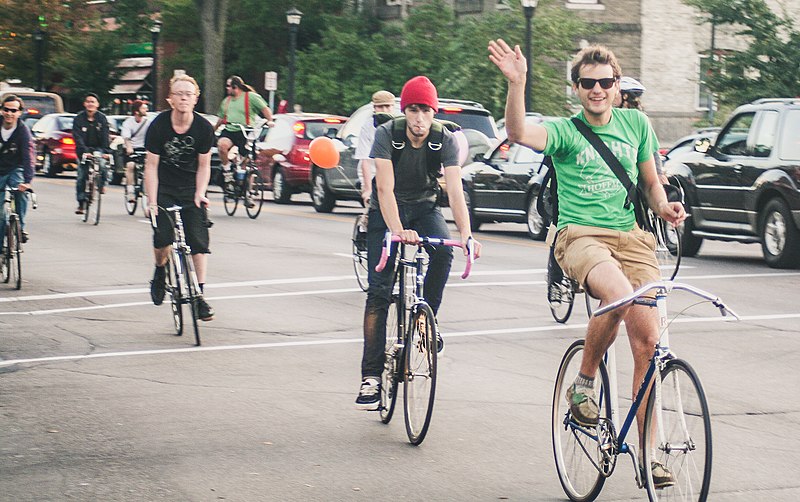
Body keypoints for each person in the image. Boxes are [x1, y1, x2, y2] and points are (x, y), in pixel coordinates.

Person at [489, 39, 685, 486]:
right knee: (618, 295)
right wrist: (517, 84)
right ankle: (584, 381)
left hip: (632, 238)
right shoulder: (563, 130)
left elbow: (651, 184)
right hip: (579, 235)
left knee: (649, 346)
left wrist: (665, 208)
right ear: (576, 88)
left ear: (617, 86)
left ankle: (648, 455)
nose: (597, 89)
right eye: (588, 83)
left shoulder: (637, 124)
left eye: (606, 82)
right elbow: (519, 133)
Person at [355, 76, 483, 410]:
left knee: (443, 252)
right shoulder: (388, 134)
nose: (418, 118)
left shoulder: (445, 139)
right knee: (378, 292)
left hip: (425, 206)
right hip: (388, 211)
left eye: (424, 110)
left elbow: (455, 191)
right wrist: (397, 231)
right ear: (404, 110)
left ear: (433, 111)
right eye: (412, 109)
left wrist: (466, 235)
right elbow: (383, 188)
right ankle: (370, 376)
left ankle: (425, 322)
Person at [144, 74, 215, 321]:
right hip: (164, 186)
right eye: (179, 94)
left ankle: (199, 296)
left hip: (189, 187)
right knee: (162, 236)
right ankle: (160, 271)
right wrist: (151, 201)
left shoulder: (204, 128)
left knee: (198, 240)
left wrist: (200, 192)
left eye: (189, 94)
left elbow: (204, 165)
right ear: (170, 99)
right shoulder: (159, 126)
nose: (184, 97)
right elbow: (151, 166)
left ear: (196, 99)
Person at [214, 76, 274, 181]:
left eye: (228, 86)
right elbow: (221, 118)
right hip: (230, 130)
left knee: (246, 160)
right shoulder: (226, 101)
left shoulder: (251, 97)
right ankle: (227, 170)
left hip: (246, 131)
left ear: (235, 87)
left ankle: (246, 188)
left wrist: (270, 121)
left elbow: (265, 109)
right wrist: (213, 129)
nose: (227, 88)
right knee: (221, 146)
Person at [0, 94, 34, 244]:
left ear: (19, 113)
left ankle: (20, 226)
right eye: (6, 110)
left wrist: (27, 182)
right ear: (1, 110)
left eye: (13, 111)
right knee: (0, 216)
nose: (9, 113)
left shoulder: (23, 131)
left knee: (20, 191)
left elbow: (28, 157)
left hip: (16, 168)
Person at [354, 90, 396, 205]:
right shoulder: (367, 127)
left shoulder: (398, 125)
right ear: (374, 108)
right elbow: (365, 160)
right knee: (375, 208)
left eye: (387, 106)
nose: (384, 110)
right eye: (380, 107)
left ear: (393, 107)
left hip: (393, 172)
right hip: (372, 171)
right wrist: (368, 189)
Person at [73, 92, 110, 214]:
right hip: (83, 150)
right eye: (88, 101)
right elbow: (77, 137)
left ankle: (102, 183)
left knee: (103, 164)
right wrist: (84, 151)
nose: (90, 104)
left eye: (93, 102)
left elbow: (105, 136)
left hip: (98, 148)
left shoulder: (102, 118)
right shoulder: (79, 118)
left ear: (97, 104)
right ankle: (81, 203)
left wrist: (106, 151)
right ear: (84, 104)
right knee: (81, 175)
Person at [121, 100, 151, 202]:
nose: (146, 109)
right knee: (130, 166)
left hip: (144, 148)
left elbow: (153, 136)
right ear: (137, 111)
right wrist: (129, 148)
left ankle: (148, 195)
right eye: (143, 108)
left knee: (148, 168)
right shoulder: (128, 122)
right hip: (131, 148)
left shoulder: (148, 122)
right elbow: (126, 138)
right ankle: (130, 191)